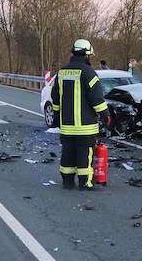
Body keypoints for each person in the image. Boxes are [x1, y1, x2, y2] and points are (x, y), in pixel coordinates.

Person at [51, 39, 111, 191]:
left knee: (68, 154)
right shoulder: (89, 72)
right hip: (85, 127)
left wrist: (57, 116)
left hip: (67, 126)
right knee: (85, 154)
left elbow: (56, 97)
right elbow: (97, 98)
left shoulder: (62, 72)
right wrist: (105, 115)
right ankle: (85, 183)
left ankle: (67, 182)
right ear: (87, 55)